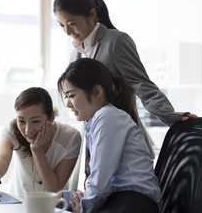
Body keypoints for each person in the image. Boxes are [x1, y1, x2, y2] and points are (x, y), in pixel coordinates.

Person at [53, 0, 197, 155]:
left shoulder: (116, 41)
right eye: (61, 25)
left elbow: (143, 86)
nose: (67, 31)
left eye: (72, 23)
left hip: (125, 143)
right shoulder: (74, 53)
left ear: (92, 14)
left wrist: (172, 117)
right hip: (95, 143)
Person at [57, 58, 161, 213]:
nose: (68, 104)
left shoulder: (106, 117)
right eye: (67, 97)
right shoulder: (100, 119)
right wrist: (68, 196)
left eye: (71, 95)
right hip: (124, 200)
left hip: (133, 204)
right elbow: (102, 183)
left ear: (97, 91)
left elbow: (100, 181)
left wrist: (83, 208)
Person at [0, 87, 82, 197]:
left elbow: (54, 188)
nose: (28, 130)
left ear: (51, 117)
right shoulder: (12, 129)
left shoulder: (70, 137)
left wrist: (37, 150)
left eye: (35, 121)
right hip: (17, 203)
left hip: (52, 207)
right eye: (21, 121)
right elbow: (2, 159)